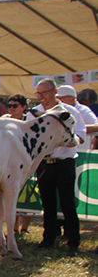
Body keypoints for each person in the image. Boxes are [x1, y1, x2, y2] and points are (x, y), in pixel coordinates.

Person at [30, 80, 90, 255]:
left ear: (54, 92)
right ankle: (48, 239)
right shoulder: (35, 113)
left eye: (44, 93)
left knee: (67, 203)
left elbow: (81, 135)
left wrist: (68, 141)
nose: (41, 97)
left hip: (64, 162)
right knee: (47, 204)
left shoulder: (70, 112)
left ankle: (73, 242)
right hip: (44, 164)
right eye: (38, 93)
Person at [3, 94, 33, 236]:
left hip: (28, 163)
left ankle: (25, 228)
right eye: (10, 105)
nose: (12, 109)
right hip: (8, 163)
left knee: (27, 198)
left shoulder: (30, 121)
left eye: (15, 106)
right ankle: (13, 228)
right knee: (11, 195)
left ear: (24, 107)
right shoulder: (4, 120)